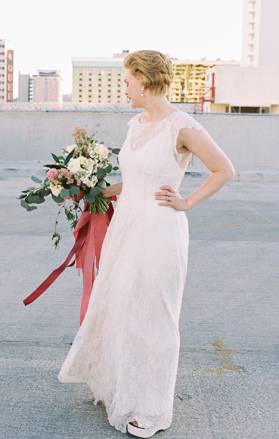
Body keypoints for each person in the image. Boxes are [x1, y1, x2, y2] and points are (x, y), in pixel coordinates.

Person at [58, 50, 234, 438]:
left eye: (126, 79)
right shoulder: (135, 123)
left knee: (156, 315)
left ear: (144, 78)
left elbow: (225, 169)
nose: (124, 86)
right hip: (127, 227)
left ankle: (154, 411)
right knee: (123, 307)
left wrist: (186, 201)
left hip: (161, 230)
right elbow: (135, 176)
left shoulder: (182, 126)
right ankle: (125, 389)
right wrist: (97, 190)